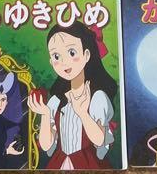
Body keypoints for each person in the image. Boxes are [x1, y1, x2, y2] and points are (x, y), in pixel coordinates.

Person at [27, 20, 117, 168]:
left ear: (86, 54)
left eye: (71, 52)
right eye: (56, 56)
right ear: (51, 61)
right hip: (60, 162)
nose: (64, 62)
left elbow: (99, 140)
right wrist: (45, 113)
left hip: (88, 163)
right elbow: (46, 145)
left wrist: (83, 113)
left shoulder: (97, 97)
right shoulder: (55, 100)